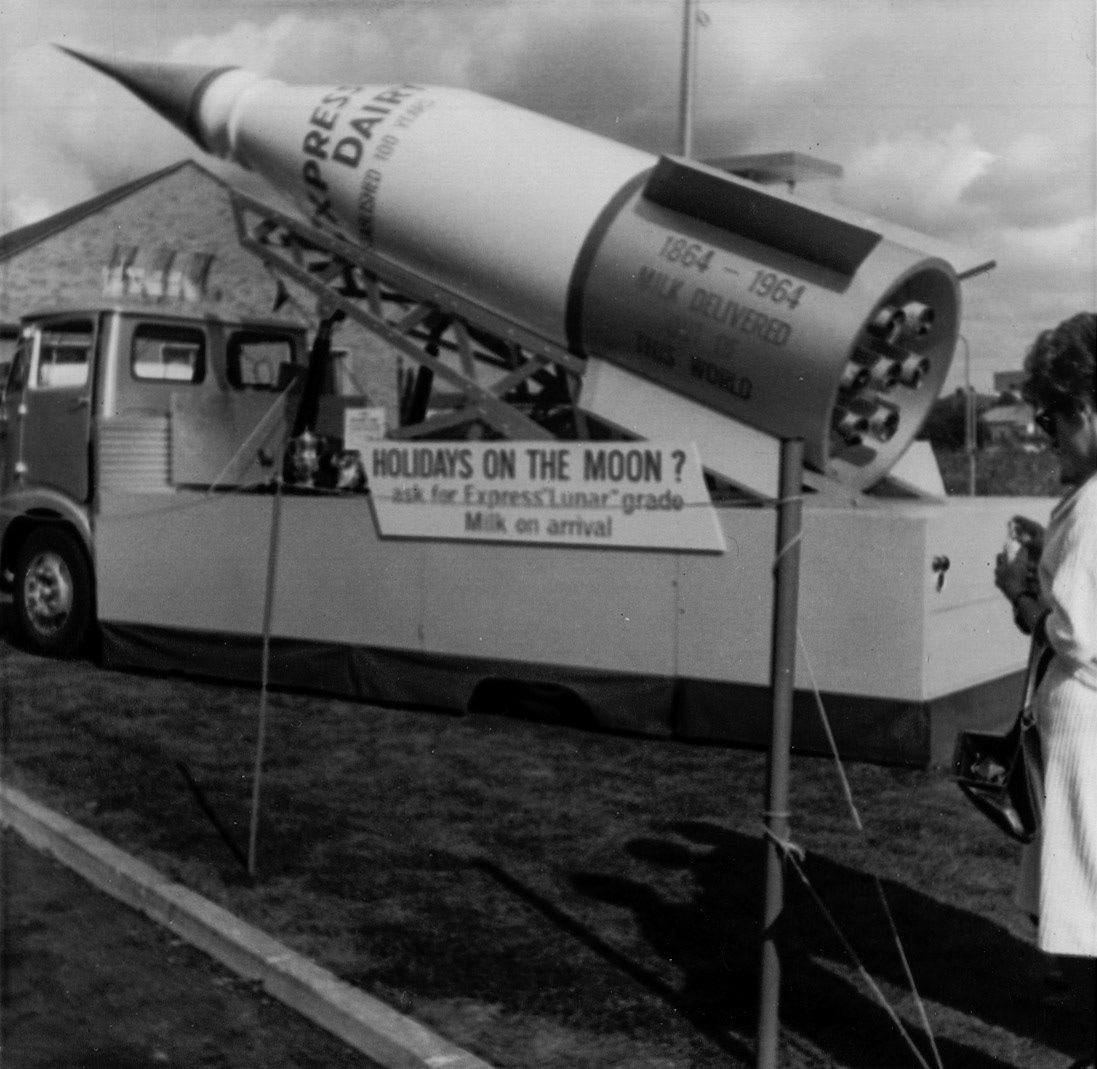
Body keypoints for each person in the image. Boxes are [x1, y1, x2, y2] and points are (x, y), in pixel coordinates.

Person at [994, 311, 1097, 1067]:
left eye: (1052, 417)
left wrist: (1022, 593)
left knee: (1084, 912)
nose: (1045, 434)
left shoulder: (1093, 508)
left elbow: (1080, 639)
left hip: (1087, 740)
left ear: (1087, 408)